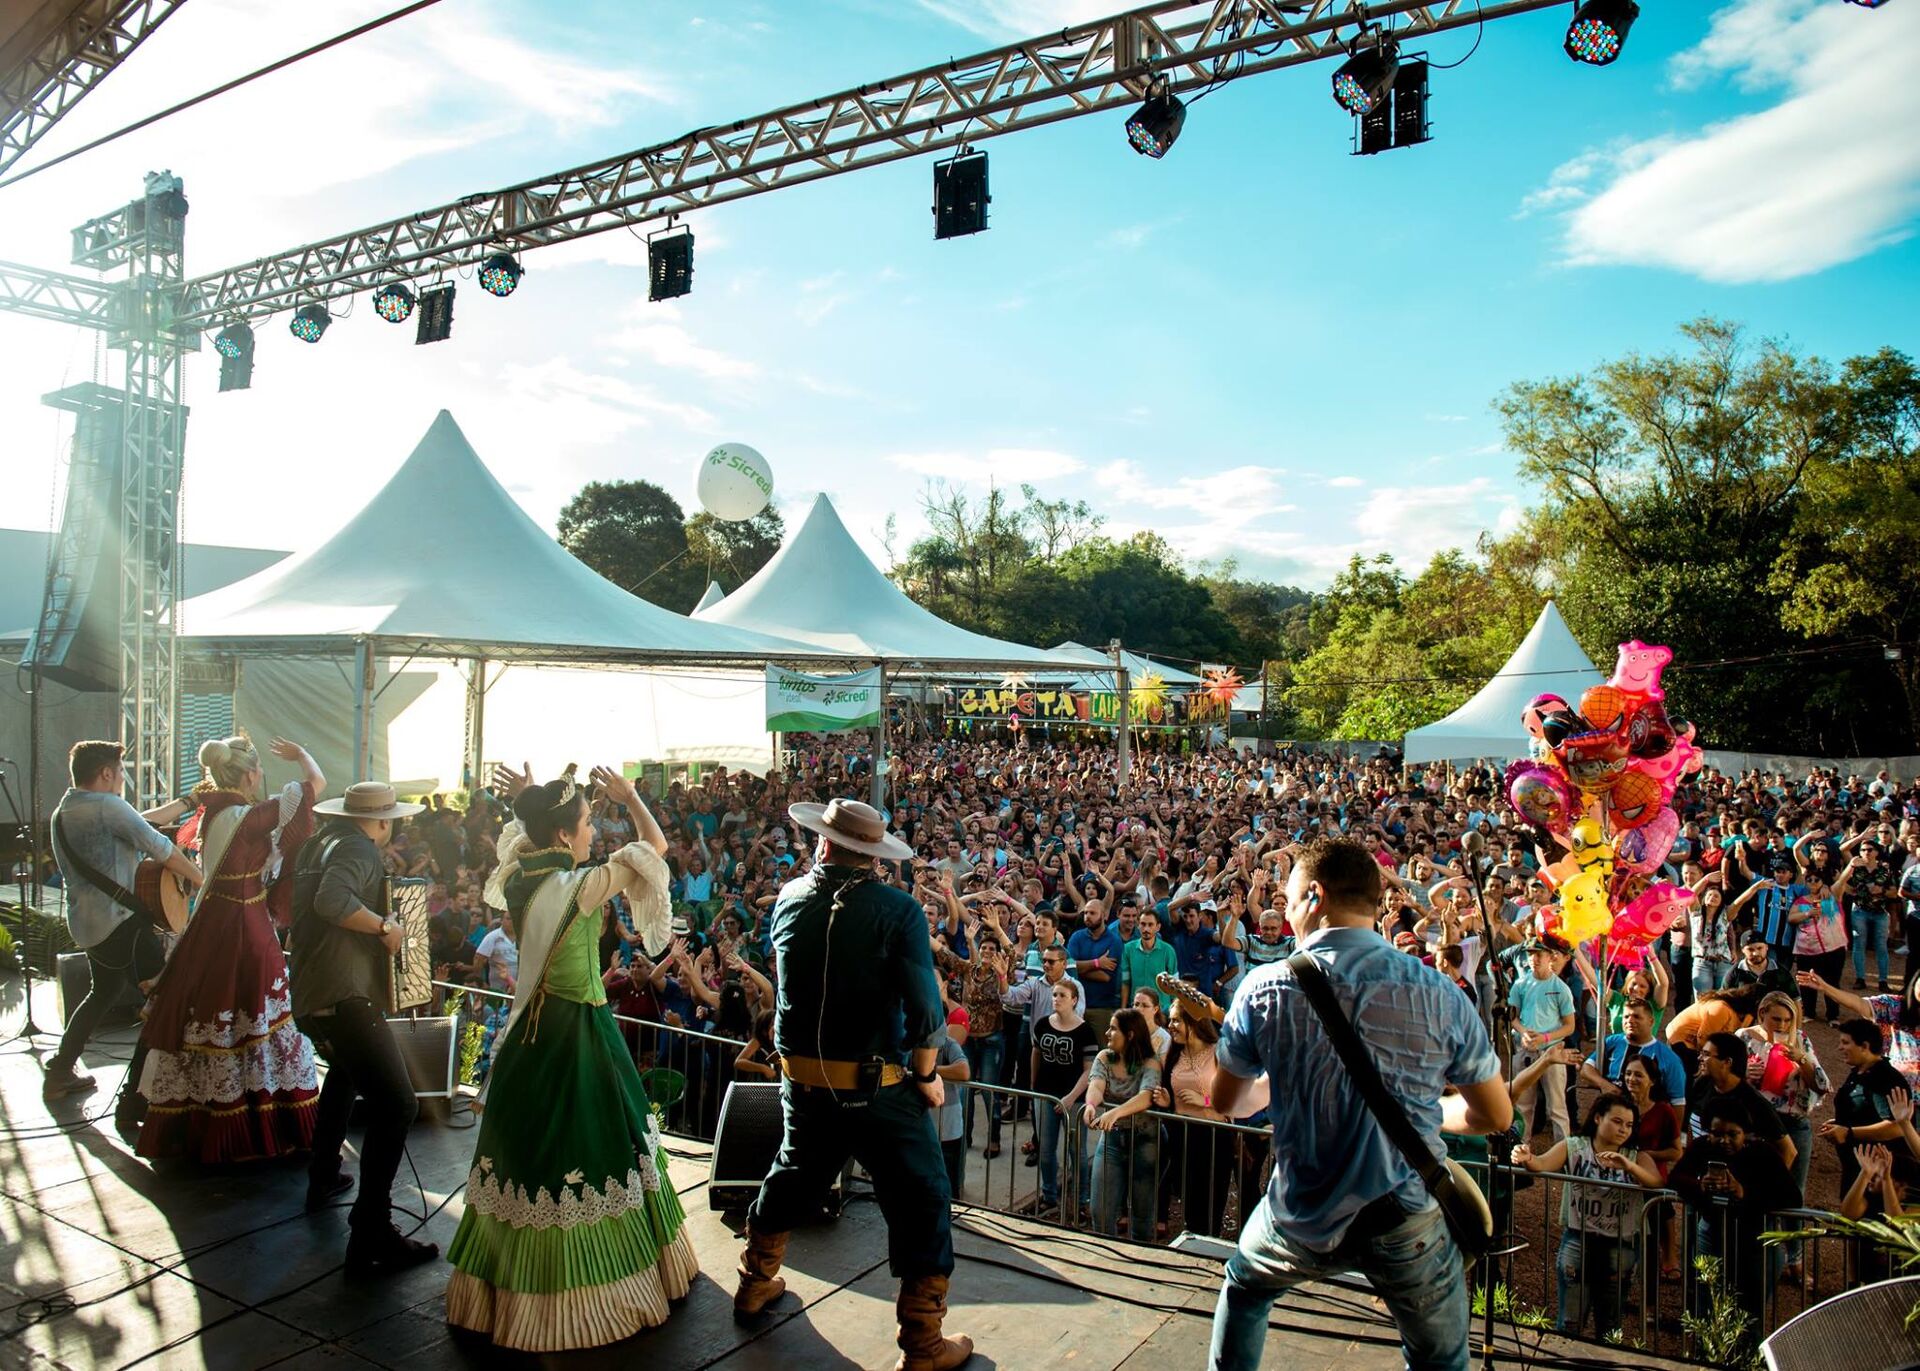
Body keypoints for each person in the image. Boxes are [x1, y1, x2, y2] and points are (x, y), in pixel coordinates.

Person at [1207, 837, 1511, 1371]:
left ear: (1314, 896)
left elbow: (1227, 1101)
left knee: (1245, 1289)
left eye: (1290, 897)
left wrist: (1282, 1080)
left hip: (1298, 1213)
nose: (1286, 911)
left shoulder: (1263, 987)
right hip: (1404, 1217)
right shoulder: (1440, 992)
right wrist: (1428, 1115)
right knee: (1440, 1359)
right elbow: (1495, 1116)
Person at [444, 765, 696, 1350]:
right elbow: (655, 849)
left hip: (529, 1038)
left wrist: (526, 801)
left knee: (526, 1156)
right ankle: (584, 1300)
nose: (592, 832)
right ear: (562, 834)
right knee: (591, 1147)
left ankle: (504, 1294)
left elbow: (519, 837)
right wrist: (630, 797)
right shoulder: (578, 886)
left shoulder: (516, 876)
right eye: (586, 822)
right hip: (579, 1032)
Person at [734, 798, 972, 1371]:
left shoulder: (788, 899)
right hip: (880, 1089)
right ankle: (922, 1343)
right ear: (873, 856)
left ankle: (755, 1281)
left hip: (803, 1084)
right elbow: (925, 1013)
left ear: (822, 843)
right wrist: (925, 1077)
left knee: (792, 1174)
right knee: (922, 1197)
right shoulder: (899, 910)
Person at [134, 736, 325, 1163]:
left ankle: (193, 1127)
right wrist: (302, 754)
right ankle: (259, 1131)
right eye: (257, 771)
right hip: (246, 924)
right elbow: (315, 785)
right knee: (254, 1018)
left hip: (211, 923)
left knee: (210, 1014)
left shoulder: (212, 813)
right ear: (249, 774)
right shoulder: (248, 816)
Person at [289, 780, 437, 1273]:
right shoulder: (359, 847)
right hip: (345, 995)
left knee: (347, 1074)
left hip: (312, 993)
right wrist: (385, 927)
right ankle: (371, 1229)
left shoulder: (320, 842)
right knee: (398, 1104)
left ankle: (323, 1174)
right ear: (381, 821)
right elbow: (331, 901)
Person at [42, 740, 205, 1126]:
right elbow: (160, 846)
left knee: (105, 991)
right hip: (121, 922)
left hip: (87, 922)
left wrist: (186, 801)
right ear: (105, 774)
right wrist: (201, 879)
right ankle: (139, 1101)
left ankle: (61, 1071)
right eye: (120, 772)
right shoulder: (107, 807)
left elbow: (139, 820)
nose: (123, 779)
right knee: (162, 997)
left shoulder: (64, 810)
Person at [1511, 1095, 1661, 1338]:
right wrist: (1527, 1157)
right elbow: (1541, 1164)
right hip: (1578, 1239)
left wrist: (1629, 1167)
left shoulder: (1636, 1156)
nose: (1623, 1129)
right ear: (1598, 1117)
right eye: (1617, 1121)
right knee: (1570, 1323)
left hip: (1620, 1244)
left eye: (1629, 1125)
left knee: (1610, 1326)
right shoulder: (1574, 1146)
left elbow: (1657, 1182)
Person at [1668, 1094, 1800, 1328]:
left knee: (1747, 1314)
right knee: (1706, 1306)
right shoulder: (1702, 1148)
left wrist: (1744, 1193)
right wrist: (1699, 1185)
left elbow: (1791, 1196)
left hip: (1754, 1240)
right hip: (1711, 1234)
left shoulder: (1763, 1153)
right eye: (1717, 1134)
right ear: (1709, 1131)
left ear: (1745, 1134)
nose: (1724, 1141)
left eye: (1732, 1134)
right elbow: (1676, 1177)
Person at [1083, 1007, 1163, 1239]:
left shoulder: (1151, 1062)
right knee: (1100, 1210)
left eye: (1113, 1029)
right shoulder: (1104, 1058)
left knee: (1141, 1214)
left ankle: (1138, 1262)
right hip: (1112, 1139)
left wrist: (1114, 1113)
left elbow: (1146, 1096)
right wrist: (1090, 1105)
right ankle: (1106, 1257)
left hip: (1145, 1140)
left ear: (1130, 1035)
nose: (1107, 1033)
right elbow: (1097, 1085)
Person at [1027, 977, 1095, 1220]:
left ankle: (1082, 1200)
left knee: (1076, 1152)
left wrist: (1071, 1097)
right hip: (1045, 1093)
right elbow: (1036, 1053)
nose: (1056, 999)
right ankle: (1049, 1196)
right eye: (1054, 995)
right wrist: (1034, 1084)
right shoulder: (1043, 1024)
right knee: (1045, 1150)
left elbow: (1089, 1070)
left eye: (1062, 995)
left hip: (1074, 1098)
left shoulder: (1085, 1031)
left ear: (1074, 1000)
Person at [1510, 938, 1577, 1143]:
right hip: (1525, 1051)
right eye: (1530, 954)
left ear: (1551, 957)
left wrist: (1545, 1037)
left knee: (1556, 1106)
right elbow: (1513, 1017)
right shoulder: (1520, 984)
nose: (1533, 959)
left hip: (1551, 1052)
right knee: (1523, 1104)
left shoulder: (1561, 988)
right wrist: (1524, 1032)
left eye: (1538, 954)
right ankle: (1521, 1150)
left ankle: (1564, 1155)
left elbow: (1569, 1026)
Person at [1580, 996, 1686, 1106]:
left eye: (1637, 1017)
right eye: (1626, 1017)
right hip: (1611, 1111)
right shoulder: (1612, 1042)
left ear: (1651, 1021)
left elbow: (1678, 1100)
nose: (1630, 1021)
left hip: (1646, 1117)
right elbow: (1586, 1069)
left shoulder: (1668, 1058)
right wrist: (1604, 1085)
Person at [935, 1009, 972, 1198]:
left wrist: (929, 1070)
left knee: (950, 1181)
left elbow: (963, 1071)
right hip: (922, 1125)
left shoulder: (948, 1044)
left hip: (948, 1128)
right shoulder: (910, 1044)